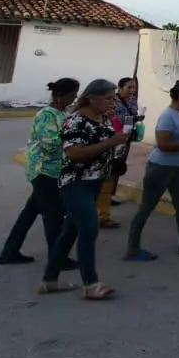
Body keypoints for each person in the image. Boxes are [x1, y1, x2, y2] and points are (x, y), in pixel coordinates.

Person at [38, 79, 131, 300]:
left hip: (95, 181)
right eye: (108, 98)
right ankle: (90, 283)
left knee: (69, 232)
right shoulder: (76, 121)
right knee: (89, 227)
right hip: (75, 182)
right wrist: (110, 143)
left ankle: (49, 280)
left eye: (113, 97)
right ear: (92, 98)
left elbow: (110, 142)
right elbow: (75, 153)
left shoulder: (105, 119)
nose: (112, 102)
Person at [124, 81, 179, 261]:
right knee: (147, 206)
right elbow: (163, 145)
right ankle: (132, 248)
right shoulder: (167, 116)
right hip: (161, 167)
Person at [0, 78, 82, 267]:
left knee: (30, 212)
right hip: (44, 170)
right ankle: (57, 257)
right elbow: (50, 142)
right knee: (54, 215)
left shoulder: (64, 113)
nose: (75, 97)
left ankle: (10, 251)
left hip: (54, 170)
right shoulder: (46, 115)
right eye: (73, 94)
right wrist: (74, 142)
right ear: (61, 95)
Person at [97, 77, 141, 227]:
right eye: (129, 87)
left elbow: (128, 117)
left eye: (134, 88)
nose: (132, 90)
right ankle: (100, 213)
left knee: (116, 168)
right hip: (110, 142)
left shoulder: (132, 101)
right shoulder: (98, 114)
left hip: (122, 139)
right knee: (107, 173)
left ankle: (106, 205)